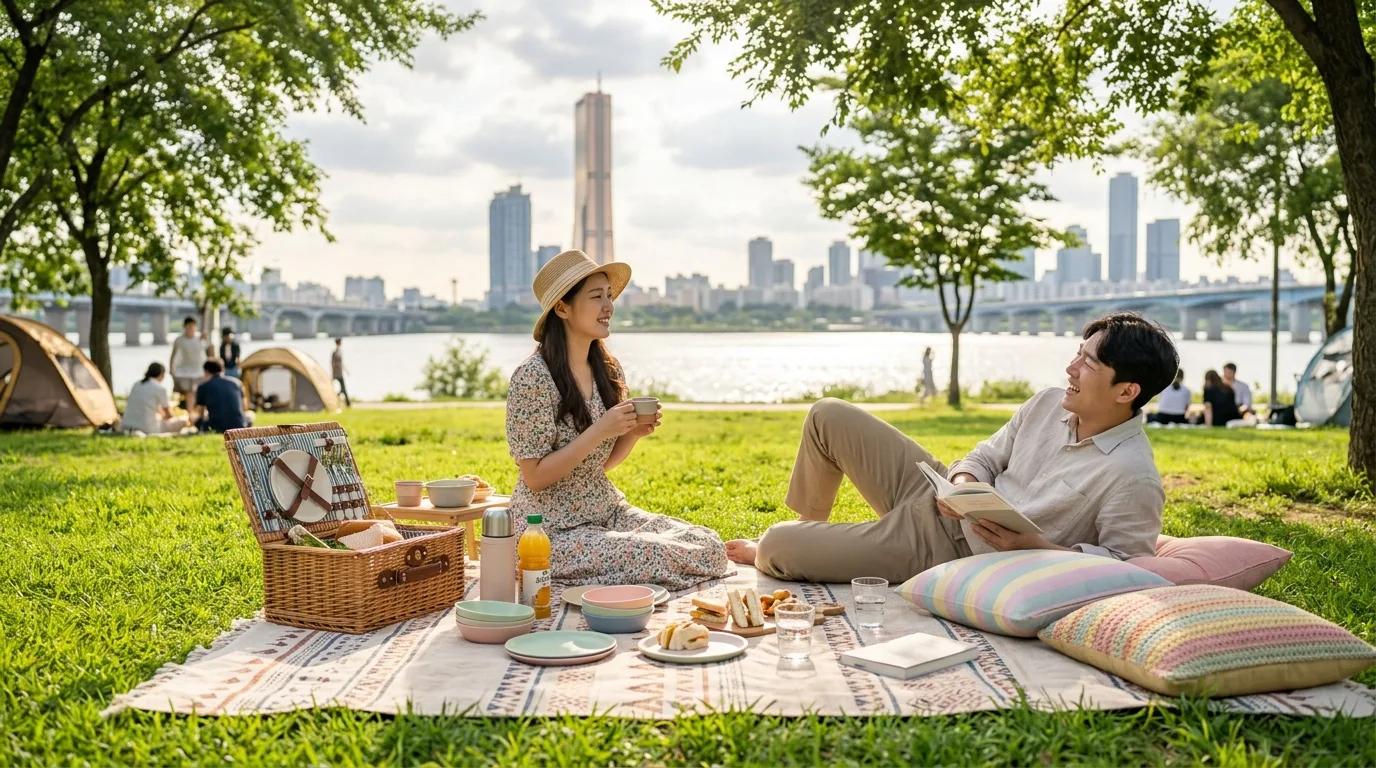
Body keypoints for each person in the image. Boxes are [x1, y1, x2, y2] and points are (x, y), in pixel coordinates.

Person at [726, 312, 1179, 585]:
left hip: (950, 549)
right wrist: (961, 483)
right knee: (828, 414)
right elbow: (983, 457)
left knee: (777, 545)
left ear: (1127, 391)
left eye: (1089, 363)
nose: (1071, 367)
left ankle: (794, 546)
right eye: (1078, 353)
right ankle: (815, 532)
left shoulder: (1132, 475)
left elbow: (1127, 569)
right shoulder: (1045, 403)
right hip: (940, 498)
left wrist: (1039, 547)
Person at [505, 249, 728, 589]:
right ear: (562, 308)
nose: (609, 307)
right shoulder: (533, 378)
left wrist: (632, 433)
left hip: (607, 511)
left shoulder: (606, 370)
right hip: (550, 532)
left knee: (708, 545)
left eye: (609, 296)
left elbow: (599, 465)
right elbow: (535, 477)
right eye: (597, 297)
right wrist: (600, 430)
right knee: (658, 554)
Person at [122, 363, 188, 435]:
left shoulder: (136, 384)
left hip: (127, 426)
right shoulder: (160, 389)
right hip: (148, 429)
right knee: (183, 421)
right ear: (162, 374)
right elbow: (169, 415)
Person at [193, 359, 251, 433]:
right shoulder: (237, 383)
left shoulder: (203, 387)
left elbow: (200, 414)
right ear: (222, 369)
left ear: (206, 372)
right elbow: (244, 408)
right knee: (250, 415)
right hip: (239, 425)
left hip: (215, 427)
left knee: (193, 418)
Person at [169, 317, 205, 410]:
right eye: (189, 326)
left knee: (198, 393)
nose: (191, 329)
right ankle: (190, 413)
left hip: (198, 371)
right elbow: (173, 355)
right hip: (184, 371)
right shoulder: (179, 340)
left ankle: (198, 413)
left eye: (193, 327)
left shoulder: (199, 339)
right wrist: (171, 369)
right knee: (189, 393)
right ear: (185, 327)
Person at [331, 338, 350, 407]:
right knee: (343, 388)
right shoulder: (334, 353)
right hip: (336, 373)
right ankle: (347, 403)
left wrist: (346, 371)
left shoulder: (339, 352)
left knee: (343, 388)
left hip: (340, 372)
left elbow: (341, 363)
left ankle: (346, 402)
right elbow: (332, 363)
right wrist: (332, 374)